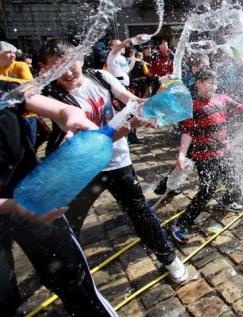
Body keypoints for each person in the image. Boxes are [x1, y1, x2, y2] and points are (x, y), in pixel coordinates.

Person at [38, 39, 188, 284]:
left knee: (140, 212)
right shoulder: (52, 97)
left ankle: (169, 257)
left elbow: (131, 101)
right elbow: (99, 139)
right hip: (84, 169)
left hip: (117, 163)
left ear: (81, 58)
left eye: (70, 63)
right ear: (45, 70)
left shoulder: (99, 76)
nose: (66, 72)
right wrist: (135, 121)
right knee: (69, 220)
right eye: (57, 67)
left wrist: (157, 99)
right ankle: (67, 270)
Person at [0, 82, 118, 316]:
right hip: (18, 204)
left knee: (72, 278)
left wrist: (73, 117)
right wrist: (14, 206)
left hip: (37, 198)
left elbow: (64, 110)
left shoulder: (4, 92)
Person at [171, 68, 243, 244]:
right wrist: (182, 155)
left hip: (224, 150)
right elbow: (187, 131)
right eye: (209, 82)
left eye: (215, 82)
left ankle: (228, 200)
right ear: (198, 83)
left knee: (232, 179)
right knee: (208, 189)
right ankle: (182, 223)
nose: (213, 86)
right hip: (204, 155)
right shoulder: (192, 106)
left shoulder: (222, 99)